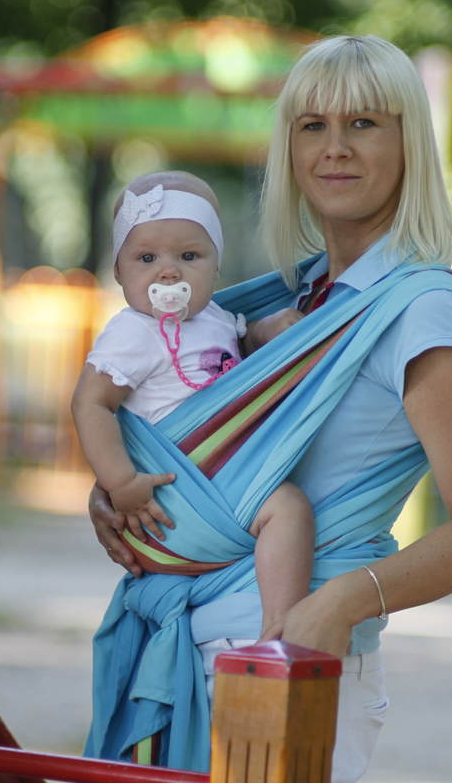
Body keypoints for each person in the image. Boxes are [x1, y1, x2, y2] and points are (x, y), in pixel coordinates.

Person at [88, 35, 452, 782]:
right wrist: (121, 489)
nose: (335, 149)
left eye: (364, 124)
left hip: (291, 657)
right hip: (185, 641)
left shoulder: (419, 310)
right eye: (311, 126)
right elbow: (200, 443)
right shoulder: (298, 299)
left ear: (409, 141)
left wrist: (339, 605)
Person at [72, 169, 315, 643]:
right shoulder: (132, 333)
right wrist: (119, 482)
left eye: (189, 256)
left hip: (224, 469)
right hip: (178, 490)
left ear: (215, 266)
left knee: (288, 511)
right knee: (288, 509)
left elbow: (238, 353)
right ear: (119, 271)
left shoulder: (216, 317)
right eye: (146, 258)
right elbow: (91, 403)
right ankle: (282, 632)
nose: (169, 272)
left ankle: (277, 626)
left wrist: (268, 332)